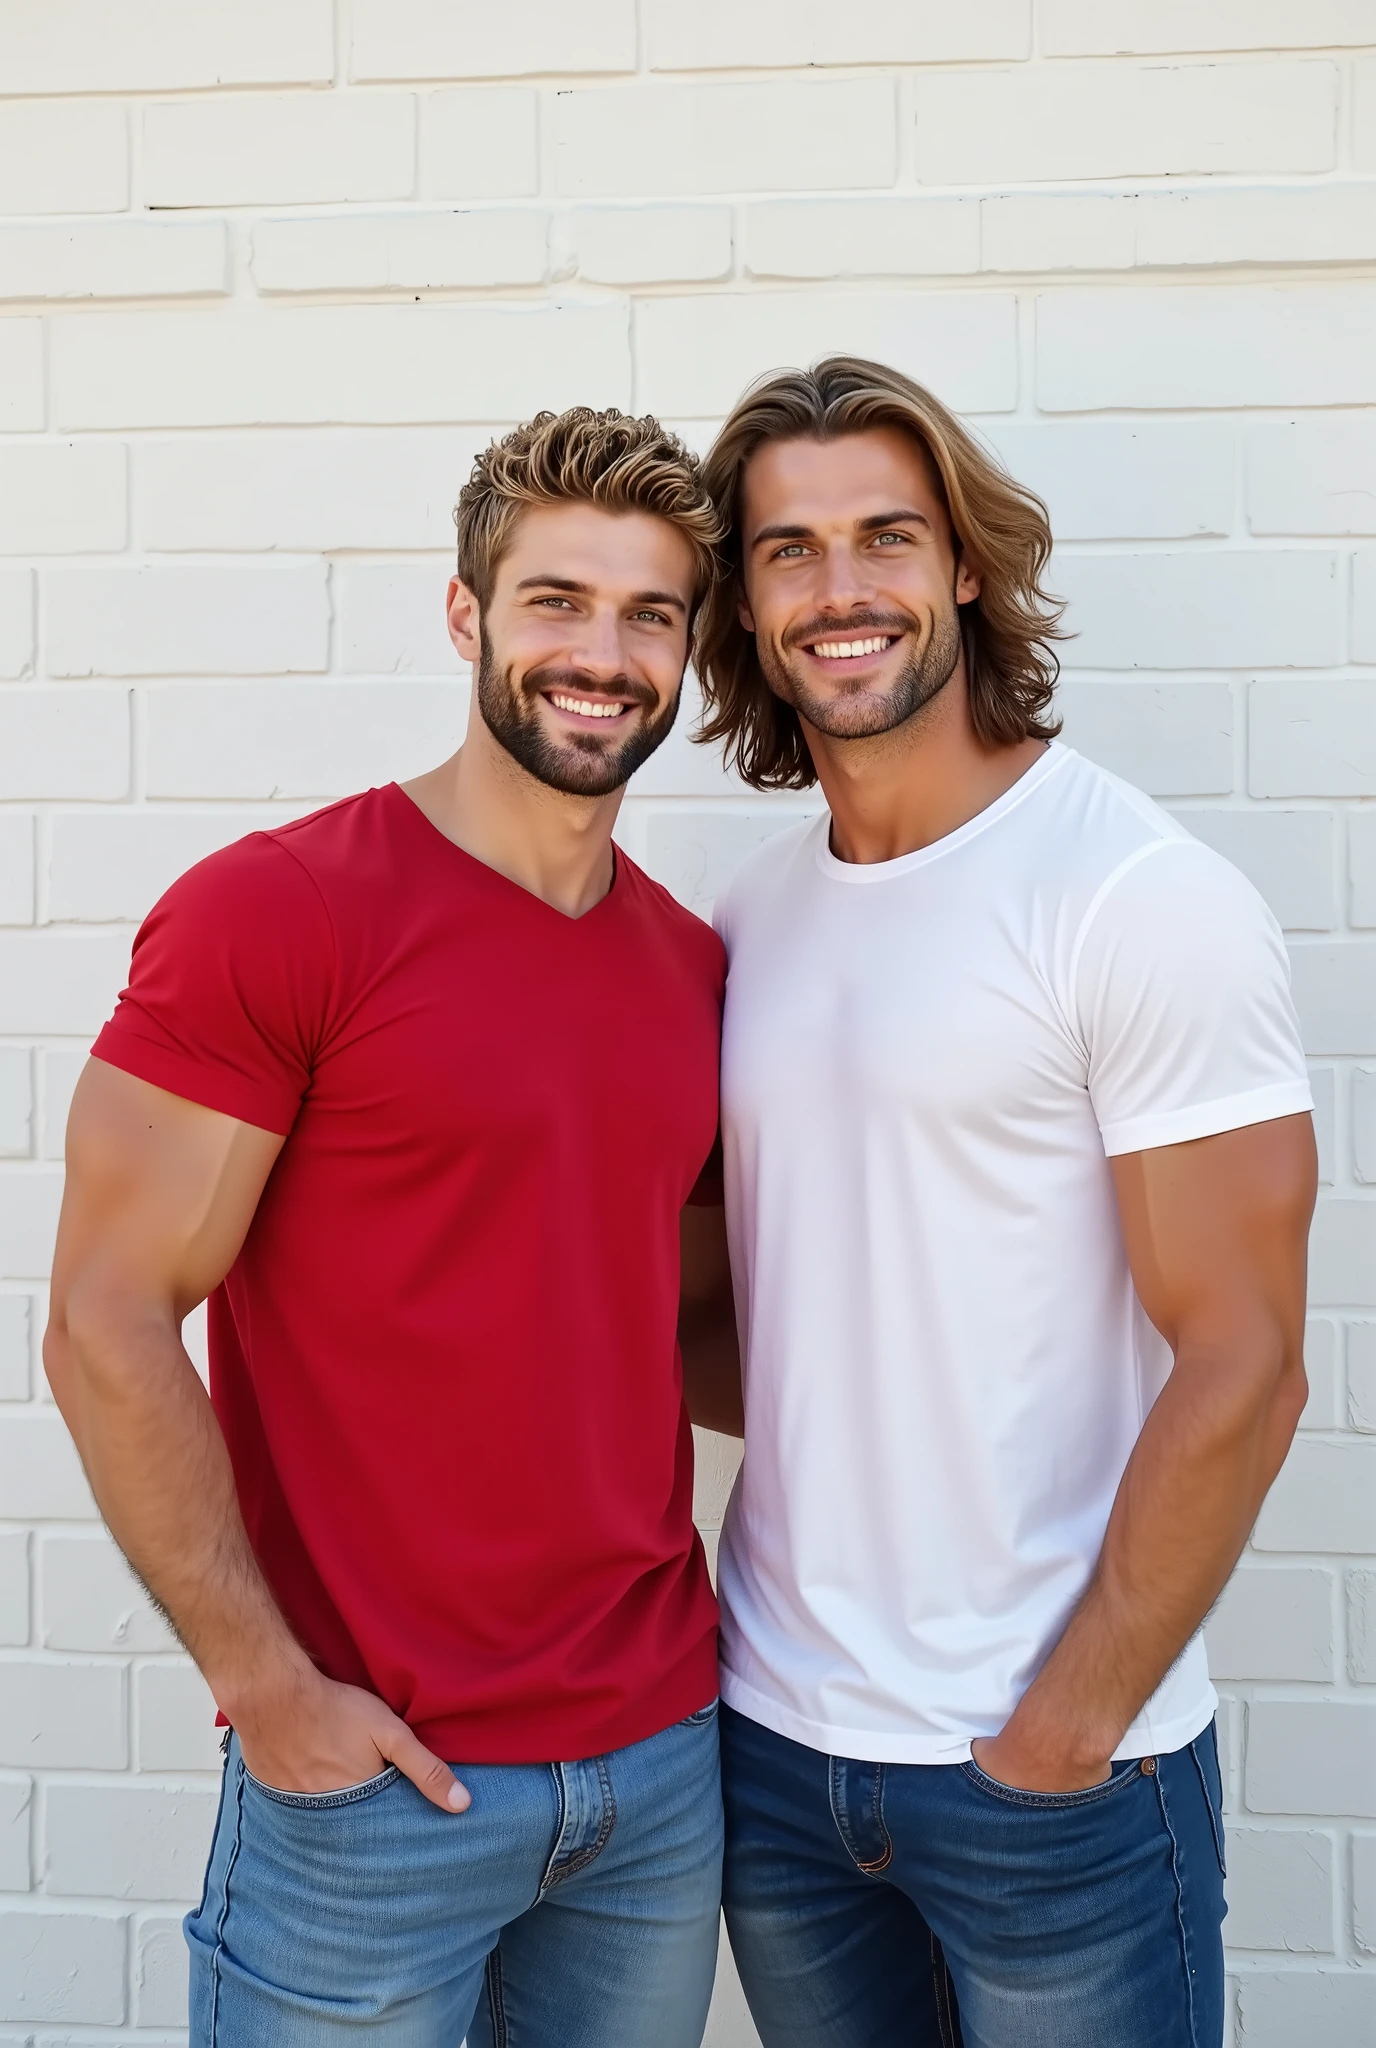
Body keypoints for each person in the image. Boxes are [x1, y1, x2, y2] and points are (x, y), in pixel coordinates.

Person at [44, 406, 743, 2048]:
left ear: (692, 650)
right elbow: (106, 1316)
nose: (603, 653)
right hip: (373, 1792)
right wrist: (266, 1688)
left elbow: (692, 1331)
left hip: (653, 1775)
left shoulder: (692, 973)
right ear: (466, 615)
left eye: (650, 614)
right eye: (557, 600)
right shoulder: (283, 914)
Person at [689, 356, 1317, 2048]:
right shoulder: (749, 924)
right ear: (741, 606)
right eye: (788, 552)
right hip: (777, 1746)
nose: (843, 592)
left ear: (963, 563)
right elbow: (763, 1318)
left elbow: (1247, 1363)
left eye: (887, 537)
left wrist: (1064, 1729)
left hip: (1051, 1779)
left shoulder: (1133, 896)